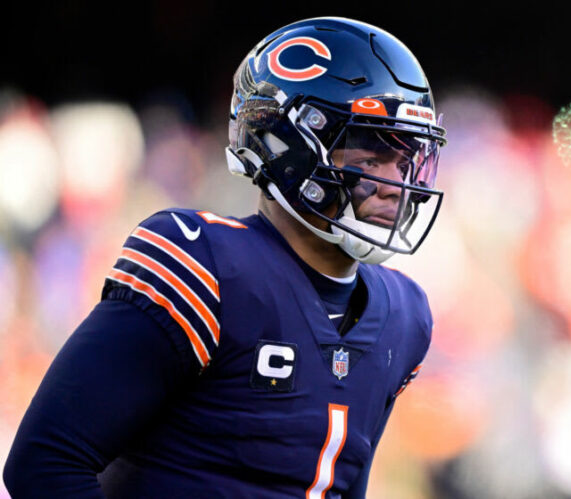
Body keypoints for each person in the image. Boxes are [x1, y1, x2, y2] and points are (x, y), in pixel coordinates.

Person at [3, 16, 446, 498]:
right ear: (290, 145)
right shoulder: (206, 265)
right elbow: (44, 464)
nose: (393, 184)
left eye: (406, 159)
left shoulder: (404, 316)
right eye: (368, 156)